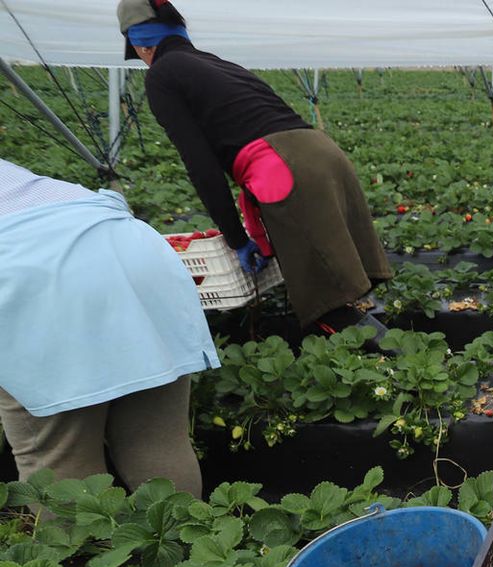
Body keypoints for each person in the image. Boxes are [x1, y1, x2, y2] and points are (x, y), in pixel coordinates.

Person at [117, 0, 391, 340]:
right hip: (323, 155)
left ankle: (400, 366)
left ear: (142, 44)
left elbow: (201, 165)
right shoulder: (215, 62)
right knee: (346, 273)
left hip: (286, 170)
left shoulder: (161, 75)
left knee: (324, 296)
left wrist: (236, 238)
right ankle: (393, 351)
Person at [0, 158, 216, 496]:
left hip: (27, 271)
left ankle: (87, 549)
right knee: (155, 438)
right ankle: (184, 542)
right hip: (124, 244)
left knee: (56, 454)